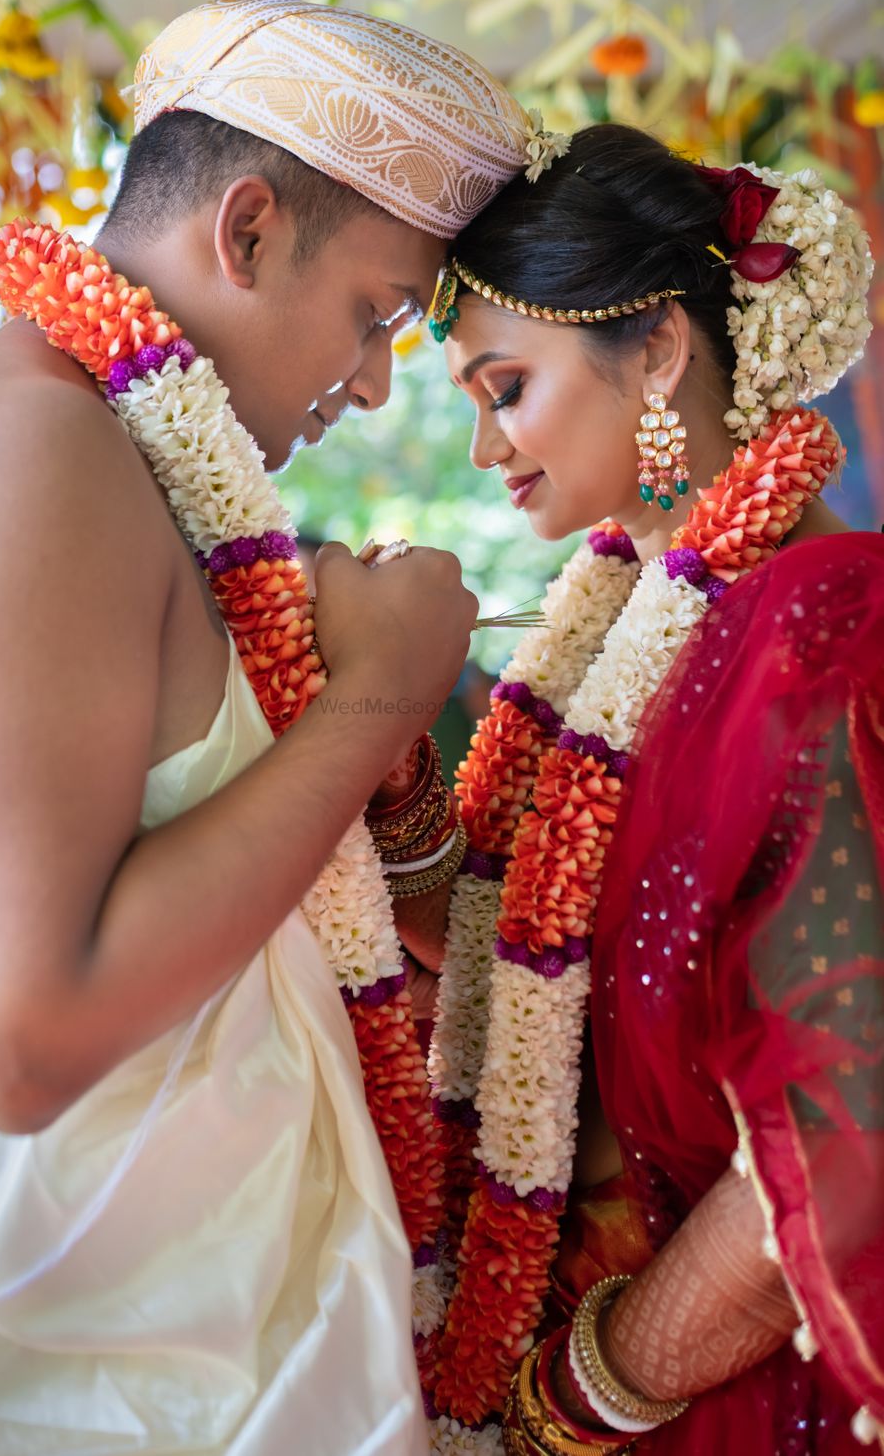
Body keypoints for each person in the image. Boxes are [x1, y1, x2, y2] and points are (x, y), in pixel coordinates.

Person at [0, 0, 544, 1456]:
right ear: (246, 231)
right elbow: (22, 1040)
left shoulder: (119, 462)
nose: (374, 385)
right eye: (374, 317)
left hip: (191, 1347)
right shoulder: (32, 457)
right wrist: (383, 691)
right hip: (75, 1388)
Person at [407, 122, 882, 1452]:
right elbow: (529, 974)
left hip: (721, 1380)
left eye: (507, 387)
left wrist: (590, 1392)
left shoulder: (824, 625)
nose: (486, 449)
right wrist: (384, 753)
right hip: (567, 1326)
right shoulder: (608, 628)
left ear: (661, 348)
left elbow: (852, 1111)